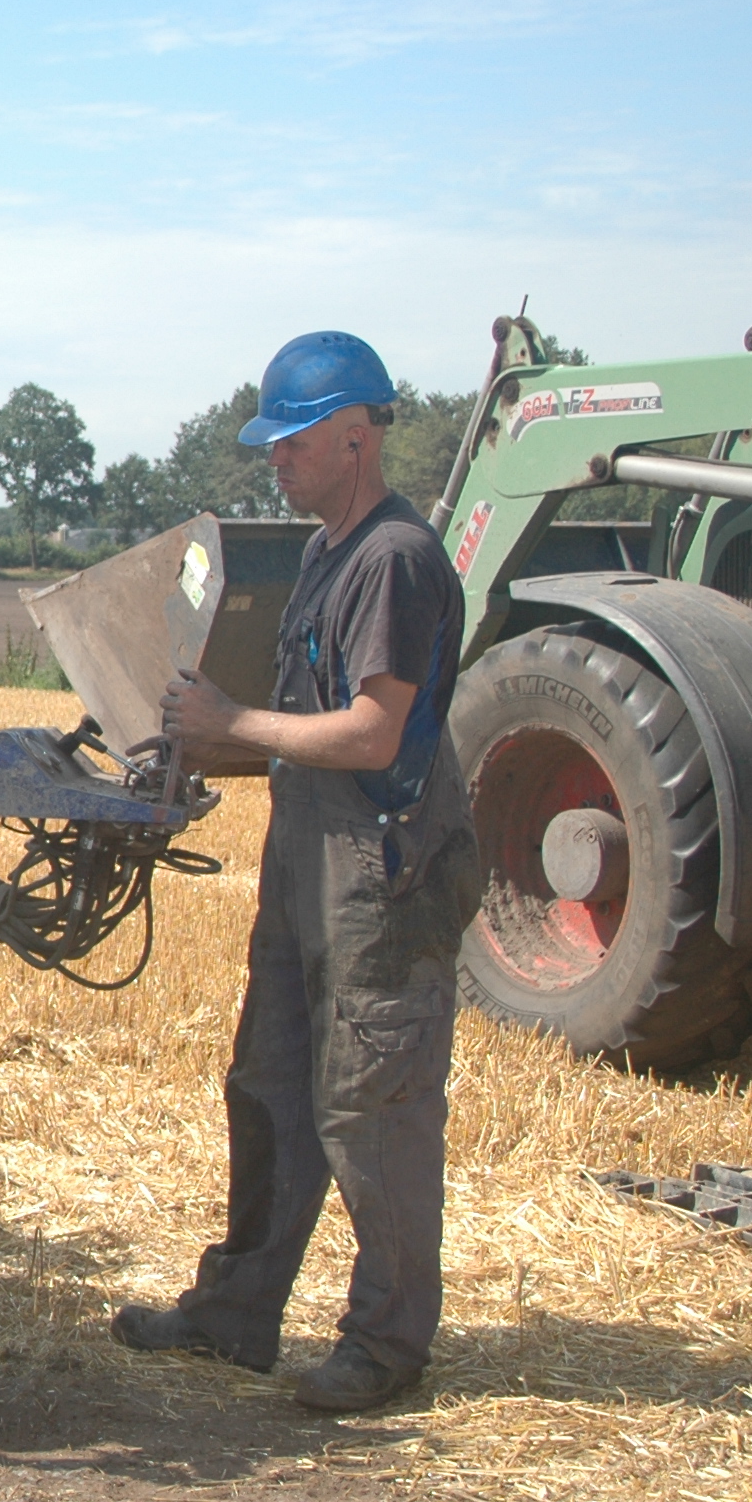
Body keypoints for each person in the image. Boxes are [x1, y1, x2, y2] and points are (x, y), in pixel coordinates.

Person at [108, 332, 480, 1413]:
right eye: (269, 441)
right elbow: (296, 720)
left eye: (291, 439)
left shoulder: (392, 560)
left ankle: (384, 1344)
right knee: (268, 1085)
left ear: (354, 435)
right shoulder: (326, 550)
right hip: (308, 854)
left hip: (384, 864)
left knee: (372, 1105)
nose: (272, 458)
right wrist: (189, 741)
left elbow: (370, 731)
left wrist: (231, 720)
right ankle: (234, 1312)